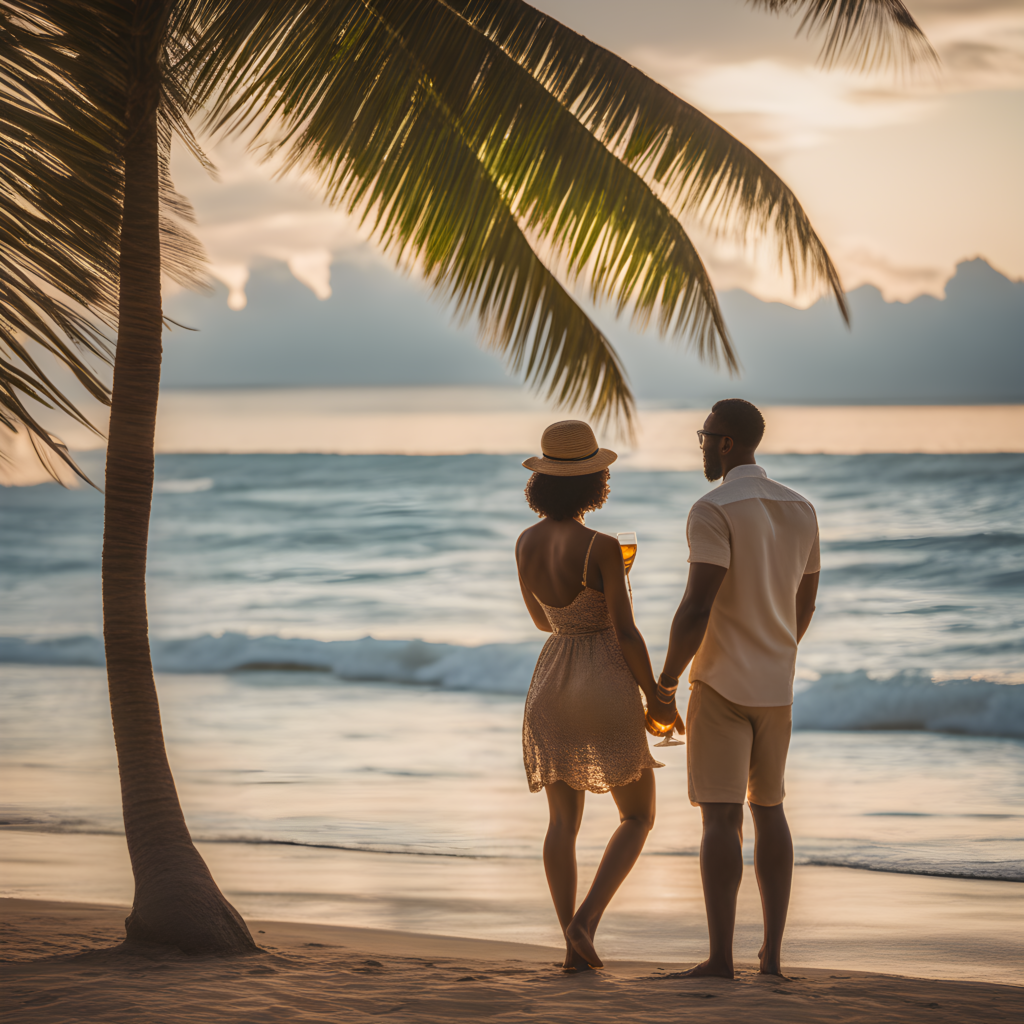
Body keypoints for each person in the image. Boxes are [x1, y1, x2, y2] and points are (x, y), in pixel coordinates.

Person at [653, 398, 819, 979]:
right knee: (770, 810)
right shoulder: (801, 508)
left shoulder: (712, 508)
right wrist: (780, 650)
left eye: (704, 437)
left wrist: (666, 681)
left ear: (725, 443)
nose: (701, 446)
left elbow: (696, 605)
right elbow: (806, 601)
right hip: (778, 684)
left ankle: (720, 958)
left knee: (721, 819)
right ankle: (771, 958)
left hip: (721, 683)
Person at [516, 419, 671, 972]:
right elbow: (625, 631)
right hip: (603, 677)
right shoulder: (603, 547)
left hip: (551, 681)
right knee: (638, 816)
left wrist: (576, 611)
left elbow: (542, 620)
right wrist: (656, 694)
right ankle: (587, 921)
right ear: (593, 484)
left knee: (562, 823)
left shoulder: (525, 542)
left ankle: (569, 944)